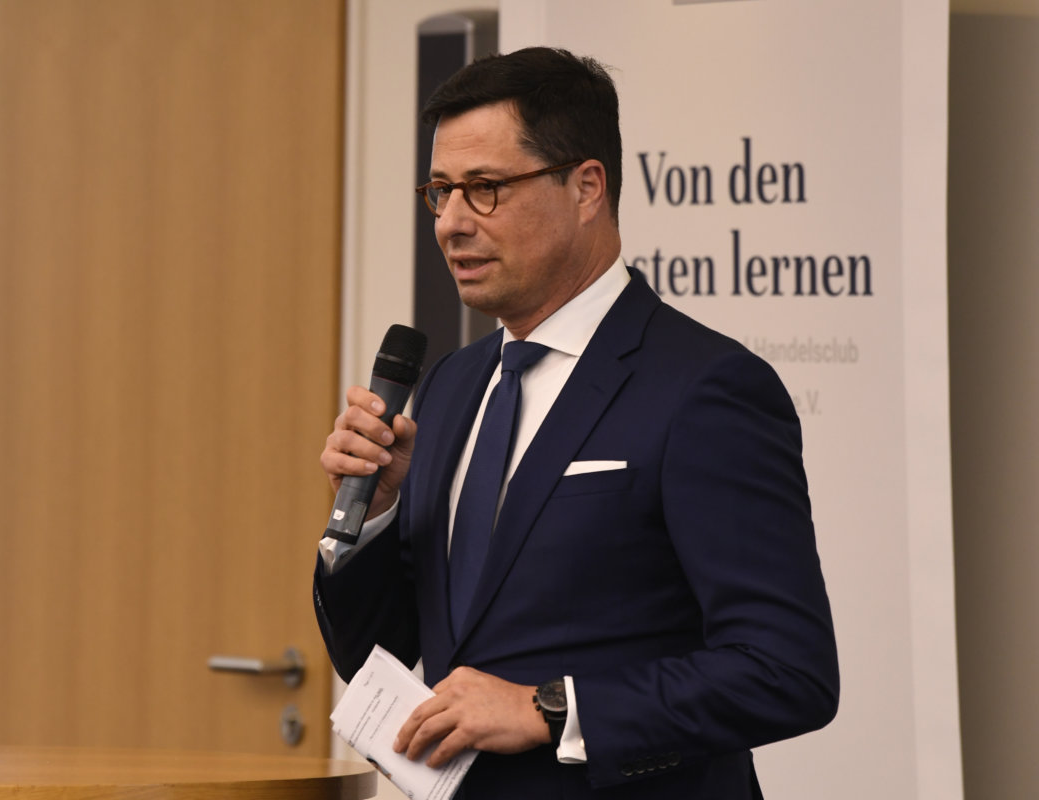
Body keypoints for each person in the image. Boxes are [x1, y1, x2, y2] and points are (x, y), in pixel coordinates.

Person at [314, 46, 838, 800]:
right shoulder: (451, 386)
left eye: (485, 189)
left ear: (587, 187)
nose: (451, 223)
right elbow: (379, 650)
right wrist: (375, 511)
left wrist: (550, 709)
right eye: (440, 191)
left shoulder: (706, 387)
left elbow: (786, 671)